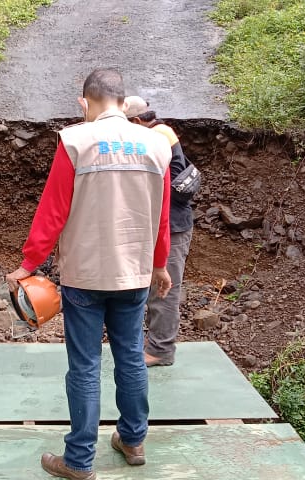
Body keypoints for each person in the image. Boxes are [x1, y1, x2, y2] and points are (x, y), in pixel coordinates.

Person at [7, 69, 173, 479]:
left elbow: (53, 210)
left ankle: (80, 460)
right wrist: (159, 265)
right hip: (134, 275)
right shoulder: (157, 145)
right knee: (131, 356)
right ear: (123, 99)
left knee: (84, 367)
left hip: (84, 276)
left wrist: (29, 264)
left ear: (85, 102)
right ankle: (133, 439)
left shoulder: (75, 140)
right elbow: (162, 216)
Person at [124, 96, 198, 367]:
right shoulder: (161, 133)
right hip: (161, 224)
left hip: (172, 227)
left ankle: (161, 350)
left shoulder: (158, 136)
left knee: (163, 291)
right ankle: (153, 344)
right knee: (155, 288)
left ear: (135, 121)